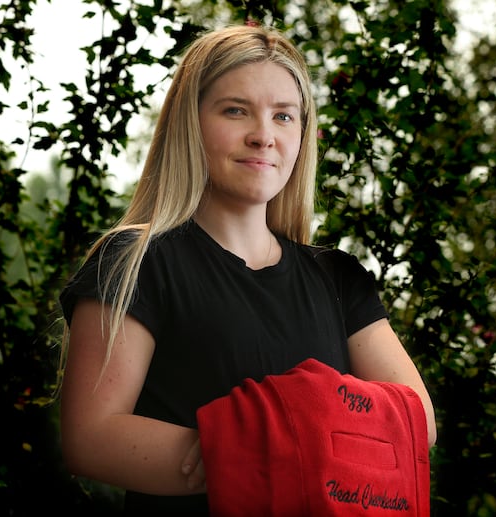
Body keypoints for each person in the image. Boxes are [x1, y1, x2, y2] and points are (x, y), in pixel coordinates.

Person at [58, 23, 437, 516]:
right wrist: (284, 456)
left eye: (284, 116)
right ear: (189, 124)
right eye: (236, 110)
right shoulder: (135, 262)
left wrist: (265, 443)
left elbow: (415, 423)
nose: (263, 136)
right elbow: (91, 438)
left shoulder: (338, 278)